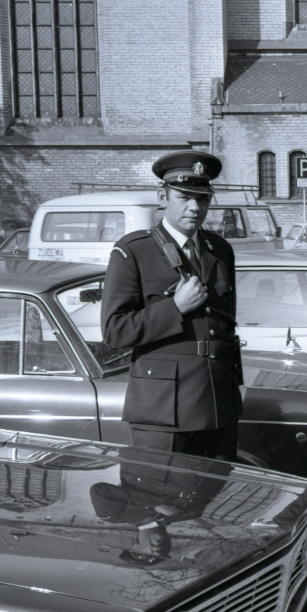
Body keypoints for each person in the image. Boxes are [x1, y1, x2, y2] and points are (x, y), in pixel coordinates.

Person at [102, 151, 244, 460]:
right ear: (162, 197)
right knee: (158, 500)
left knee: (217, 500)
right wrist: (175, 308)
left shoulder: (219, 250)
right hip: (164, 409)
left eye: (203, 199)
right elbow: (115, 331)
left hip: (218, 403)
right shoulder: (134, 251)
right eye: (184, 197)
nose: (195, 207)